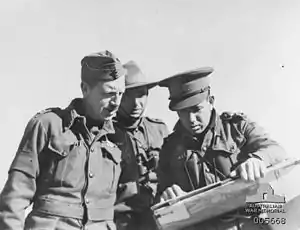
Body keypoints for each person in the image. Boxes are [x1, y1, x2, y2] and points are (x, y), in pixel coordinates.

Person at [0, 51, 138, 230]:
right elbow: (16, 195)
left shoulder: (121, 139)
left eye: (121, 94)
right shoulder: (48, 125)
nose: (116, 102)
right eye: (109, 93)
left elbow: (128, 205)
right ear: (85, 89)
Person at [156, 67, 287, 230]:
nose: (191, 119)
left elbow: (276, 150)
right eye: (182, 112)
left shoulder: (237, 128)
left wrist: (258, 160)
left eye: (196, 109)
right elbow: (162, 208)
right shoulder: (170, 149)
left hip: (250, 222)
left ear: (211, 101)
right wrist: (168, 197)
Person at [113, 61, 169, 230]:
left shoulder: (159, 129)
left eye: (141, 95)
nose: (136, 103)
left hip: (160, 216)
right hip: (121, 221)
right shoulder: (105, 134)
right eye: (128, 96)